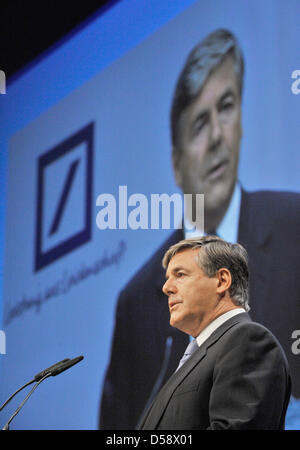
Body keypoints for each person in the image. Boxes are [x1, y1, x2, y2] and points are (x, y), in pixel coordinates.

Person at [99, 29, 300, 430]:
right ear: (176, 164)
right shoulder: (136, 303)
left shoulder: (295, 224)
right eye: (197, 126)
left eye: (226, 108)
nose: (217, 137)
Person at [138, 236, 291, 430]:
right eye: (168, 278)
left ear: (222, 280)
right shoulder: (197, 356)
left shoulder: (248, 341)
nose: (166, 288)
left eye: (180, 274)